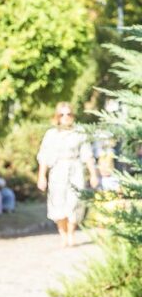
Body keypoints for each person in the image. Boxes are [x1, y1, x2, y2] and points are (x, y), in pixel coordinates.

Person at [37, 103, 99, 247]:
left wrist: (93, 174)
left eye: (68, 114)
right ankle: (63, 234)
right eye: (62, 114)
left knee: (75, 201)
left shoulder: (79, 132)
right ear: (57, 117)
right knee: (58, 202)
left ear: (73, 116)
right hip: (58, 170)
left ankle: (71, 234)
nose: (66, 117)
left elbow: (87, 154)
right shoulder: (51, 134)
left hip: (75, 169)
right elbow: (44, 156)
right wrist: (42, 176)